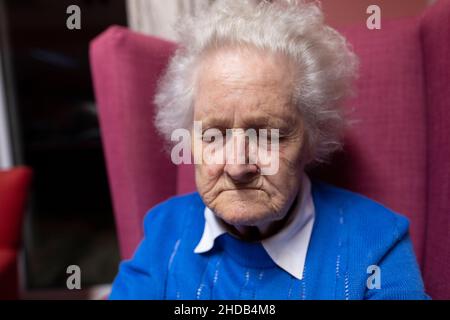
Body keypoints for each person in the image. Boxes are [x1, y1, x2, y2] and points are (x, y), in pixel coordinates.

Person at [109, 0, 428, 299]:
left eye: (267, 135)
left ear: (311, 138)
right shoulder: (166, 231)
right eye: (214, 135)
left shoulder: (377, 243)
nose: (237, 166)